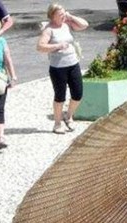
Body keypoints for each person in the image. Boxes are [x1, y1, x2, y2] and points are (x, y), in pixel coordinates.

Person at [36, 4, 88, 134]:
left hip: (73, 63)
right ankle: (57, 123)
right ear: (52, 16)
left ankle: (69, 116)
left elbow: (84, 25)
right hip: (58, 67)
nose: (62, 16)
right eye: (60, 15)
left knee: (78, 94)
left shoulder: (67, 24)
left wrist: (70, 16)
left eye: (63, 14)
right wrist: (57, 45)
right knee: (60, 96)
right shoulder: (49, 30)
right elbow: (40, 47)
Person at [0, 17, 16, 150]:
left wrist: (13, 76)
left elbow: (8, 60)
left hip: (0, 79)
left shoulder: (2, 41)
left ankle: (1, 136)